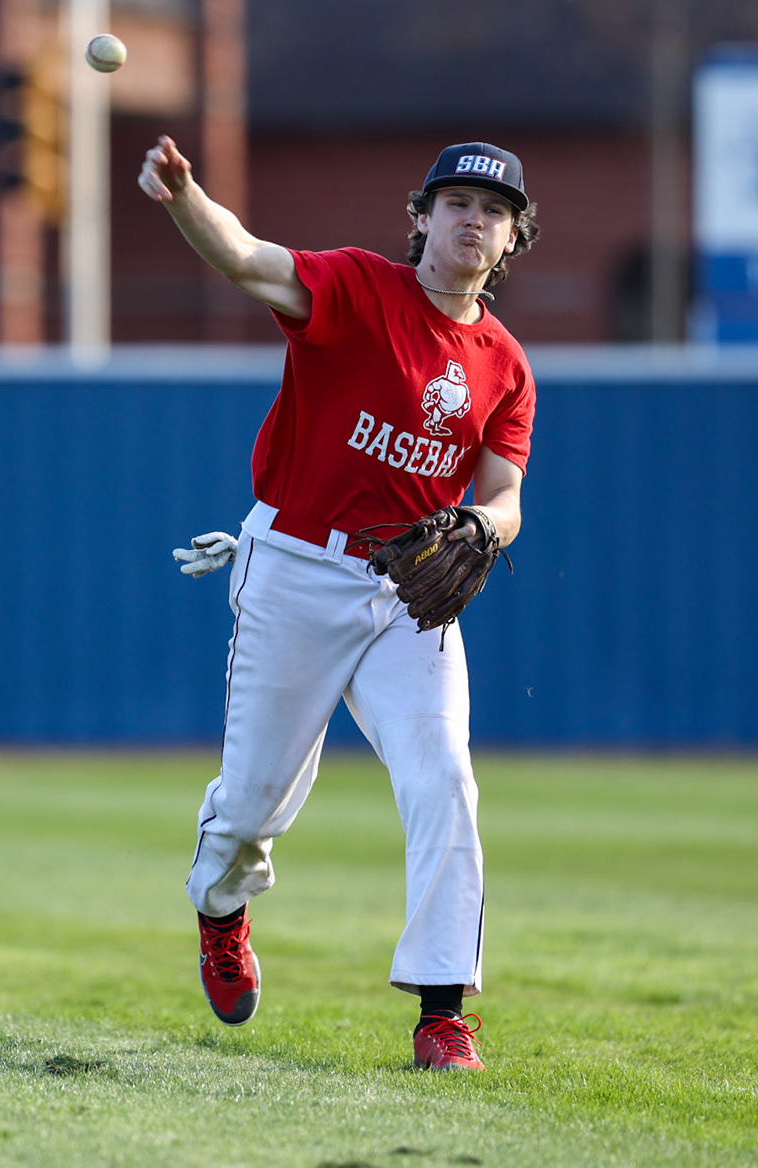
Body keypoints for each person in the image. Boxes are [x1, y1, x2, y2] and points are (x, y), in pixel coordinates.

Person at [141, 135, 538, 1071]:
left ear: (513, 239)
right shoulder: (358, 289)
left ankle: (443, 1013)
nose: (473, 219)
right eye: (456, 203)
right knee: (252, 805)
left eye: (494, 209)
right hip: (296, 568)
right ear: (422, 218)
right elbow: (243, 257)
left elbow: (505, 494)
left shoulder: (506, 365)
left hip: (410, 590)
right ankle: (221, 906)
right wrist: (182, 199)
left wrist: (486, 530)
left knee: (444, 776)